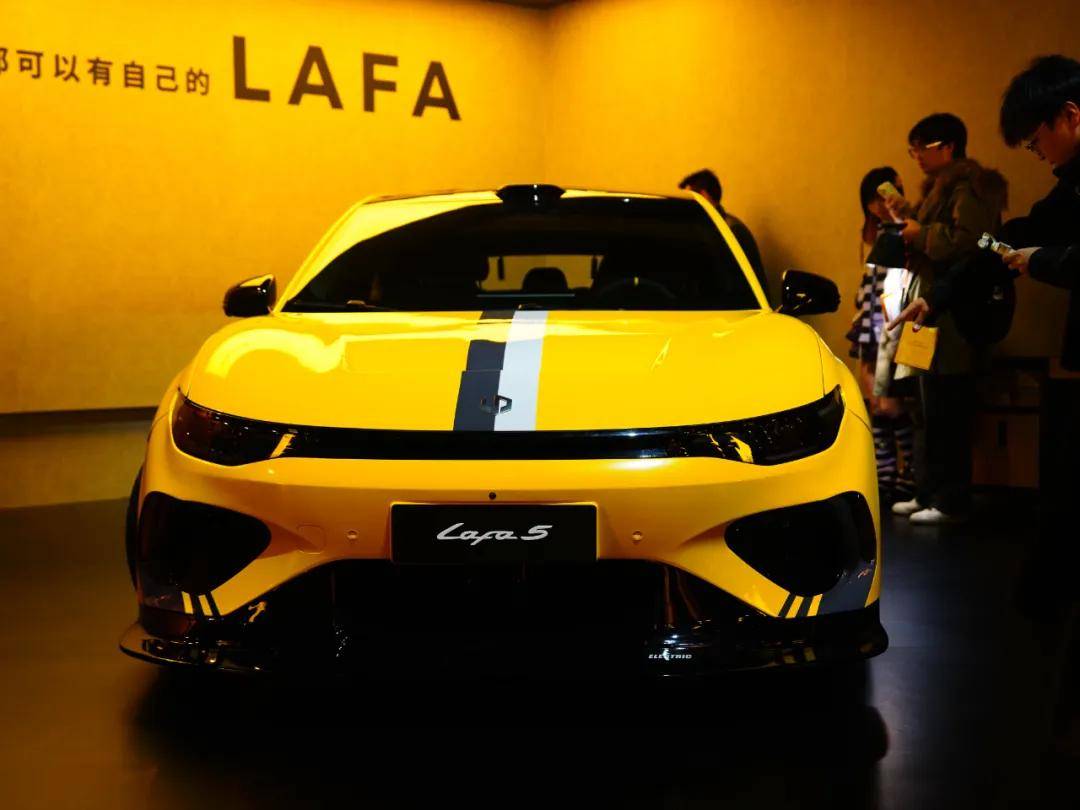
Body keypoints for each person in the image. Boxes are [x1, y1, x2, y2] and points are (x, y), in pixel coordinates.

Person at [885, 113, 1008, 525]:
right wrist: (908, 220)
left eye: (923, 147)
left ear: (949, 147)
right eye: (913, 149)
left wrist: (918, 234)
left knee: (949, 406)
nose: (917, 156)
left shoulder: (970, 187)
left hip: (953, 315)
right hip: (927, 310)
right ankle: (927, 492)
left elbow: (971, 244)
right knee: (924, 405)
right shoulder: (940, 189)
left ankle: (950, 498)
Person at [847, 167, 917, 503]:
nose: (887, 201)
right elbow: (872, 289)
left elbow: (892, 289)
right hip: (873, 327)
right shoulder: (879, 237)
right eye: (879, 196)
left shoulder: (904, 232)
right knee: (877, 404)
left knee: (892, 404)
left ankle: (907, 472)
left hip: (890, 326)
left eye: (894, 191)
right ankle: (887, 474)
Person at [679, 169, 769, 299]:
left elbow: (726, 283)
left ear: (704, 196)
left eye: (690, 198)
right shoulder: (715, 227)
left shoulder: (729, 232)